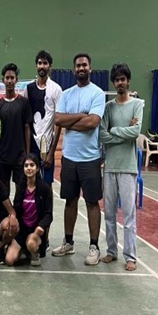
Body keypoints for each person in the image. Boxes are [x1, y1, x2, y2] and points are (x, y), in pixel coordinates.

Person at [52, 53, 105, 266]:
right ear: (74, 70)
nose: (81, 68)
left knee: (92, 202)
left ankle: (94, 246)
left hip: (90, 159)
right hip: (69, 159)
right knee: (70, 201)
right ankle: (68, 242)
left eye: (84, 65)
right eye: (78, 65)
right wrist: (81, 116)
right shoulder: (66, 94)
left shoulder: (97, 93)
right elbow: (58, 119)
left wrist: (71, 121)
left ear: (90, 68)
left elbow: (92, 123)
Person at [99, 63, 144, 272]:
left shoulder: (137, 105)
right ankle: (111, 251)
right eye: (117, 80)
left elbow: (135, 132)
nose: (120, 83)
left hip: (128, 168)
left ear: (128, 81)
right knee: (109, 214)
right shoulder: (108, 107)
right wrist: (123, 132)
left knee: (128, 215)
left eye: (123, 79)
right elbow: (102, 135)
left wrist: (115, 130)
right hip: (109, 167)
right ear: (113, 83)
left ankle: (130, 256)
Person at [0, 63, 32, 196]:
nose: (9, 81)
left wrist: (27, 153)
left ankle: (18, 210)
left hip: (19, 157)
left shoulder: (24, 103)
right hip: (3, 157)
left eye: (12, 78)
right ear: (3, 80)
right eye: (7, 78)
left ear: (16, 80)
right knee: (4, 192)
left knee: (21, 190)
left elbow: (27, 128)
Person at [5, 154, 53, 267]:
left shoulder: (44, 188)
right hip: (22, 230)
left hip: (36, 231)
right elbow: (16, 209)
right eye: (26, 165)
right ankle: (23, 248)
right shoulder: (21, 188)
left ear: (37, 168)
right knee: (9, 260)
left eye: (32, 165)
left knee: (31, 243)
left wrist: (41, 226)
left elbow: (49, 215)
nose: (29, 168)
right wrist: (12, 218)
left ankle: (34, 252)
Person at [23, 50, 63, 185]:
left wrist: (51, 152)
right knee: (30, 184)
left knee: (46, 186)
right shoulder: (28, 89)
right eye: (39, 63)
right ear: (36, 65)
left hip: (47, 144)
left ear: (50, 66)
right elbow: (26, 121)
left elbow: (58, 123)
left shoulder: (56, 89)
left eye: (45, 63)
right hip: (32, 144)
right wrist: (27, 151)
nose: (42, 66)